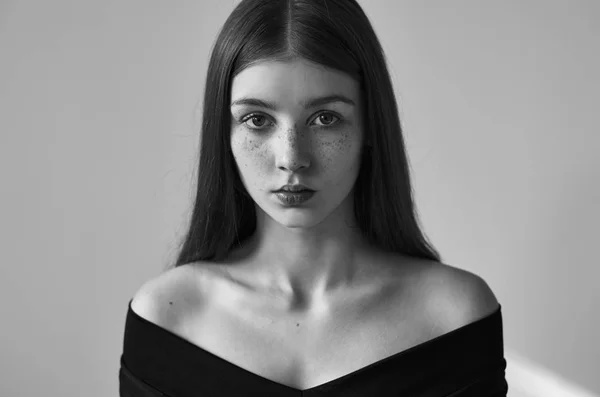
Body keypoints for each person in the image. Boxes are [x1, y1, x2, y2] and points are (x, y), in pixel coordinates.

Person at [119, 0, 508, 395]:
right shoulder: (167, 319)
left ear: (371, 126)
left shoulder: (454, 318)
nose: (292, 158)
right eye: (257, 120)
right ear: (224, 133)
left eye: (325, 118)